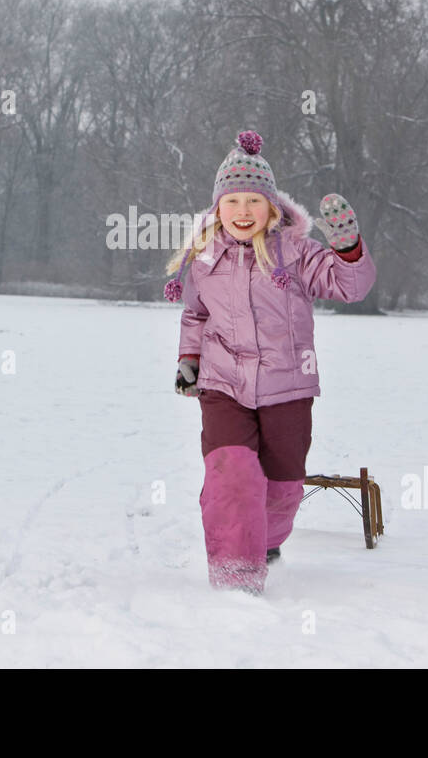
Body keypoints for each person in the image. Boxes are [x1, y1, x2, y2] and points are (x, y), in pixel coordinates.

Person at [164, 130, 377, 594]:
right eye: (233, 201)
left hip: (287, 386)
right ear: (218, 207)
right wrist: (189, 360)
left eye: (253, 201)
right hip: (223, 384)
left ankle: (267, 539)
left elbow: (350, 287)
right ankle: (234, 578)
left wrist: (348, 250)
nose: (243, 212)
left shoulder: (297, 253)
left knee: (282, 486)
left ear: (273, 207)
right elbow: (196, 313)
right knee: (231, 472)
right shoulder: (205, 259)